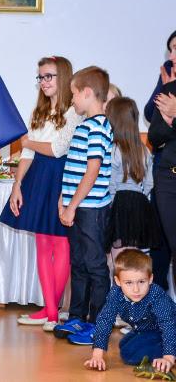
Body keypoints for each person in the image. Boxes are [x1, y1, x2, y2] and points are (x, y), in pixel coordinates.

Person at [0, 56, 81, 332]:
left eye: (49, 76)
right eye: (41, 77)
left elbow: (58, 149)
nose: (44, 82)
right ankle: (49, 310)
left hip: (61, 176)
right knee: (43, 243)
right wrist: (17, 184)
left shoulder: (73, 112)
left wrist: (29, 141)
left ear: (64, 78)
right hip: (38, 176)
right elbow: (28, 152)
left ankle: (53, 312)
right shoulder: (39, 111)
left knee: (61, 243)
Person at [53, 66, 113, 346]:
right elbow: (72, 171)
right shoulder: (83, 126)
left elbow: (92, 171)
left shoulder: (99, 128)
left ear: (88, 93)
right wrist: (63, 201)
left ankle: (98, 324)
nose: (72, 100)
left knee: (95, 266)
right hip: (77, 207)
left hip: (90, 209)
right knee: (78, 263)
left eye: (74, 94)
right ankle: (77, 316)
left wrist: (73, 206)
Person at [84, 250, 176, 373]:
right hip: (147, 331)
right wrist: (97, 356)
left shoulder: (156, 295)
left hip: (171, 328)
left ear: (150, 279)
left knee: (130, 354)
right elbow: (105, 320)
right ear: (118, 281)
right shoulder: (116, 294)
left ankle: (172, 351)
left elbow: (168, 324)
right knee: (124, 345)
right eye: (128, 283)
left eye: (141, 282)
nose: (136, 289)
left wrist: (168, 358)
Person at [105, 97, 160, 260]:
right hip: (140, 205)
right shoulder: (144, 150)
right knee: (137, 254)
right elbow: (150, 182)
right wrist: (139, 197)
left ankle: (120, 277)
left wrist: (111, 207)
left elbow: (111, 183)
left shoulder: (113, 150)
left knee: (119, 256)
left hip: (119, 206)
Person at [146, 30, 176, 291]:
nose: (172, 56)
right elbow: (155, 134)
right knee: (165, 242)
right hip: (167, 172)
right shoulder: (169, 81)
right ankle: (161, 302)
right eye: (171, 49)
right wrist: (165, 86)